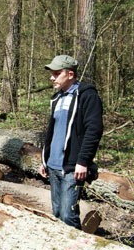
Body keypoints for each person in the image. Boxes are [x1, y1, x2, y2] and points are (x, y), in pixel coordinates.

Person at [39, 55, 103, 229]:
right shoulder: (57, 98)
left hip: (72, 167)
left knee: (68, 215)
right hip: (53, 165)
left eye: (56, 73)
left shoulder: (87, 96)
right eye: (52, 73)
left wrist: (83, 161)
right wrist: (44, 159)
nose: (52, 77)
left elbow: (94, 130)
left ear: (70, 74)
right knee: (57, 212)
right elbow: (51, 132)